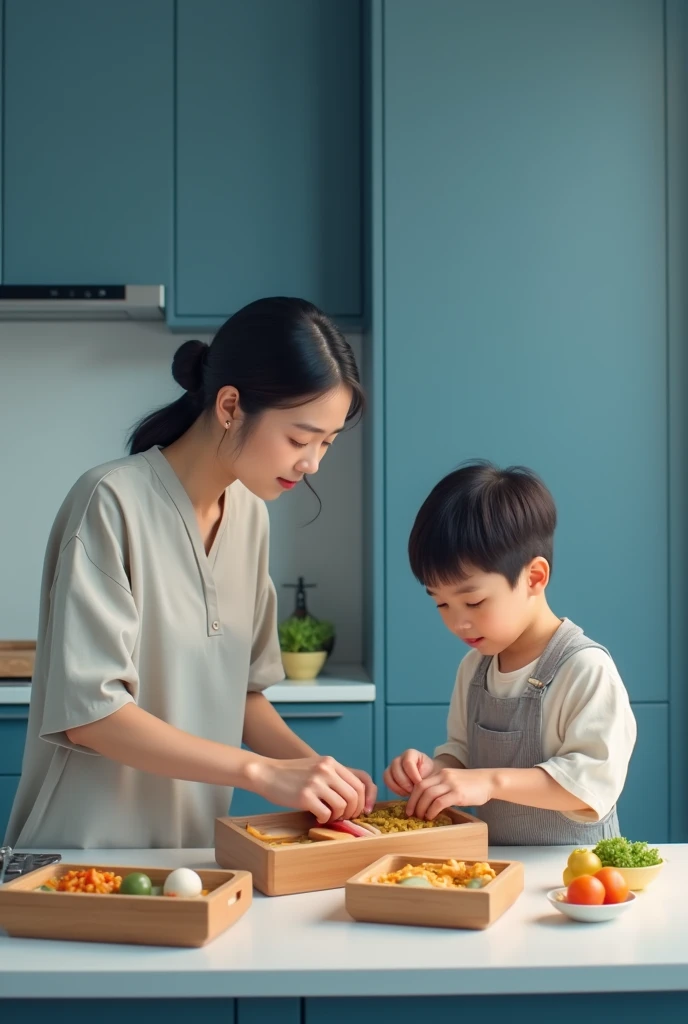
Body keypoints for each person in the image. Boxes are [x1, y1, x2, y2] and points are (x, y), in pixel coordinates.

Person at [5, 296, 376, 850]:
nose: (312, 463)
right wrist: (259, 773)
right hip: (82, 855)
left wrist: (317, 770)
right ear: (230, 406)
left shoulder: (249, 515)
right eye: (300, 439)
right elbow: (93, 715)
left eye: (326, 443)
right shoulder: (110, 500)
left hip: (190, 855)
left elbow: (242, 696)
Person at [384, 461, 636, 845]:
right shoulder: (474, 669)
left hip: (576, 876)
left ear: (534, 577)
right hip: (501, 868)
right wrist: (434, 771)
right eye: (441, 604)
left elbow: (590, 785)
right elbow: (462, 755)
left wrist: (488, 781)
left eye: (474, 601)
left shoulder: (585, 669)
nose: (458, 623)